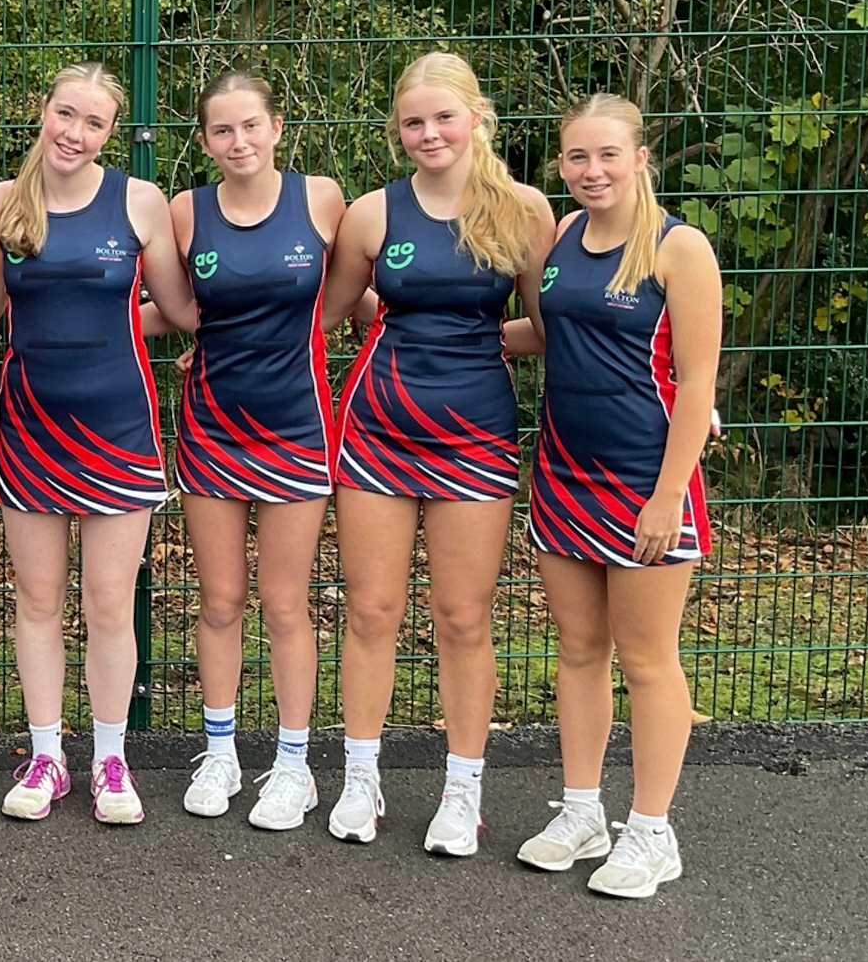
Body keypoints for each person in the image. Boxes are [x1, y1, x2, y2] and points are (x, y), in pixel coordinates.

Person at [320, 51, 554, 855]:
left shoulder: (524, 211)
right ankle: (360, 777)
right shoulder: (371, 214)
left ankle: (463, 791)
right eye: (413, 122)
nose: (429, 133)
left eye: (443, 117)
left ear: (477, 116)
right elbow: (324, 317)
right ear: (398, 131)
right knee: (372, 611)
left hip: (475, 436)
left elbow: (553, 328)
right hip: (377, 432)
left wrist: (681, 397)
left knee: (461, 617)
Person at [512, 93, 721, 898]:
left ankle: (653, 830)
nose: (592, 170)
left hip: (646, 482)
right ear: (562, 165)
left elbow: (697, 378)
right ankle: (582, 810)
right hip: (564, 474)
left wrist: (669, 494)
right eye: (576, 157)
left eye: (607, 155)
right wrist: (445, 331)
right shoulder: (562, 236)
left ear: (640, 157)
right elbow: (550, 333)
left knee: (648, 657)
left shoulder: (680, 248)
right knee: (577, 650)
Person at [0, 60, 199, 825]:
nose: (75, 132)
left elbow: (176, 309)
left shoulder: (140, 202)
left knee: (109, 603)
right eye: (65, 113)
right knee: (37, 600)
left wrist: (108, 328)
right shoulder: (3, 205)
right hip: (30, 425)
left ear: (111, 132)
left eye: (94, 122)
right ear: (44, 110)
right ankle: (46, 756)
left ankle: (111, 759)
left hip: (118, 428)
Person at [159, 72, 347, 827]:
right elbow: (175, 312)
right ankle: (223, 752)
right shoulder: (184, 212)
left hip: (298, 426)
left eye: (251, 126)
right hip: (210, 425)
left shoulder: (323, 198)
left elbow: (346, 297)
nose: (239, 142)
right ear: (205, 141)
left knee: (286, 602)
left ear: (277, 127)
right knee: (220, 600)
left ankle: (295, 764)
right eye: (222, 131)